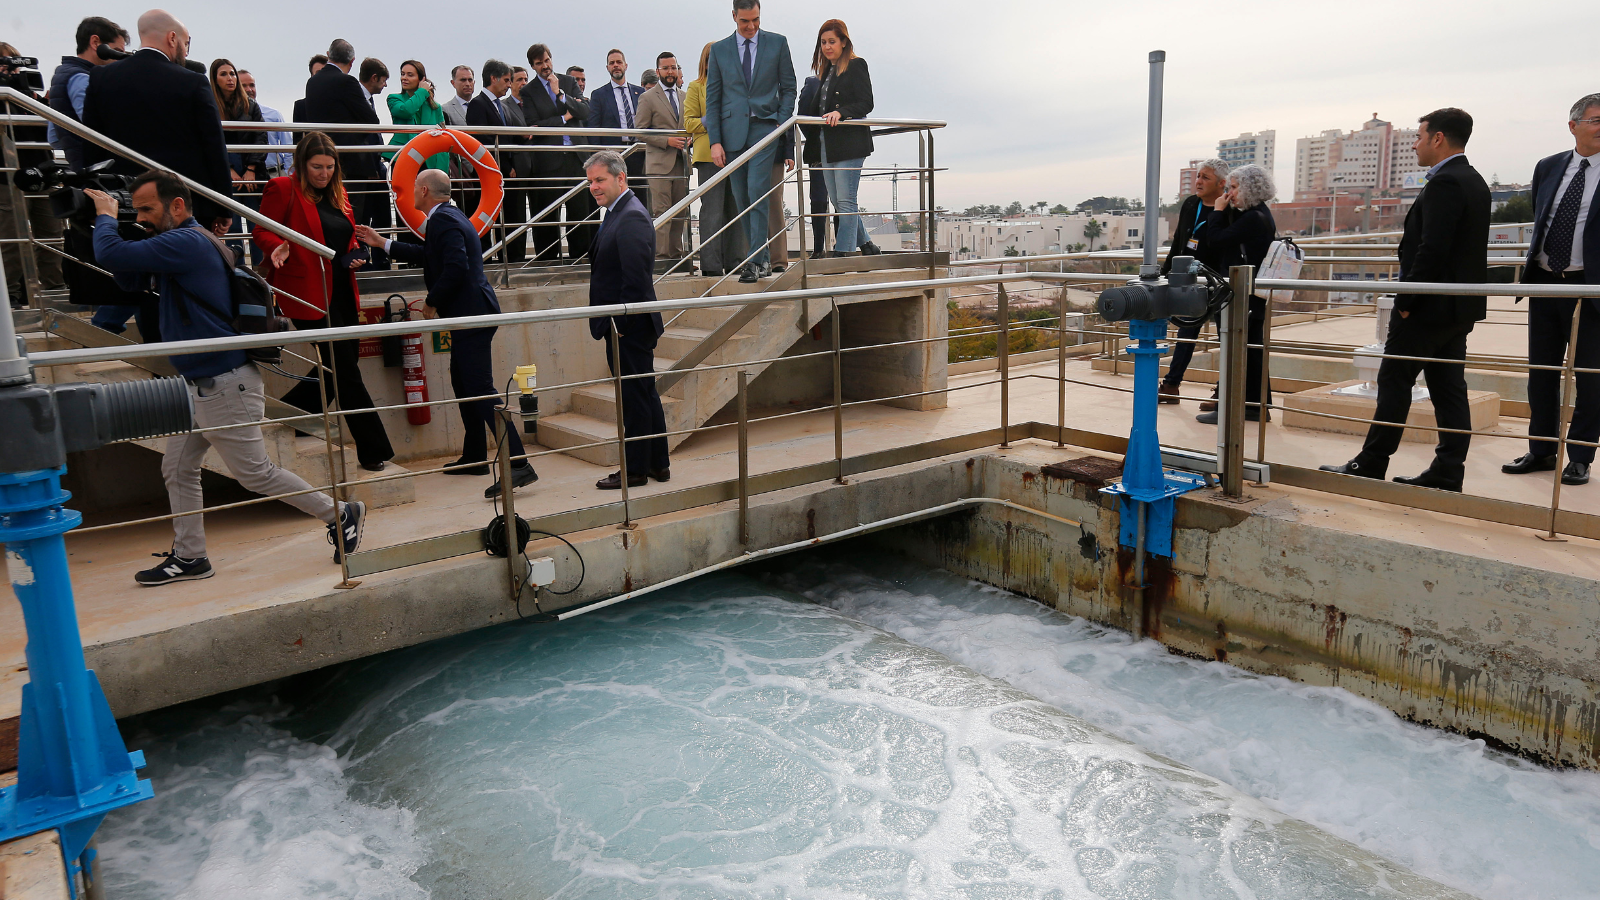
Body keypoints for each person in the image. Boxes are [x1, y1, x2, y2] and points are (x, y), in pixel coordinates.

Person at [86, 170, 364, 585]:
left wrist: (106, 216)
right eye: (136, 209)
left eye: (147, 209)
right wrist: (122, 225)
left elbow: (110, 254)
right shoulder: (177, 243)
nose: (140, 216)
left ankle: (340, 513)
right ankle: (191, 557)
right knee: (178, 468)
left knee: (255, 474)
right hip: (199, 385)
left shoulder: (188, 242)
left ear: (176, 205)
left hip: (224, 384)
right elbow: (126, 278)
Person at [1321, 108, 1490, 492]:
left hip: (1427, 308)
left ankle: (1371, 463)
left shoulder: (1447, 182)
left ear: (1438, 138)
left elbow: (1432, 249)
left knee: (1394, 381)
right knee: (1448, 388)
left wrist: (1406, 300)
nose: (1414, 144)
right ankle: (1448, 469)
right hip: (1456, 308)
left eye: (1418, 136)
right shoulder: (1474, 180)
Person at [354, 169, 539, 496]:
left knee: (480, 389)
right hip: (470, 314)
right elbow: (429, 255)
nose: (412, 191)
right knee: (463, 382)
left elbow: (456, 266)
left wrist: (432, 301)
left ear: (424, 190)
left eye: (415, 186)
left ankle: (518, 463)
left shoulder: (444, 220)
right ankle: (475, 456)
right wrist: (382, 243)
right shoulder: (448, 217)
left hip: (472, 315)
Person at [257, 132, 395, 472]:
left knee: (340, 367)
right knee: (345, 370)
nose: (324, 173)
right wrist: (276, 246)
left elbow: (343, 237)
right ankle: (373, 449)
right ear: (302, 164)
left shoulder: (338, 193)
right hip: (306, 292)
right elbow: (262, 230)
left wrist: (355, 253)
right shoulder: (282, 188)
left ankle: (289, 416)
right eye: (317, 167)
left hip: (342, 290)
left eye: (330, 167)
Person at [1505, 93, 1600, 488]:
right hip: (1544, 283)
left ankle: (1580, 457)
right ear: (1573, 125)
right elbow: (1541, 217)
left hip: (1591, 289)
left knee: (1591, 379)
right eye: (1596, 120)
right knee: (1541, 373)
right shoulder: (1548, 167)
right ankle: (1541, 450)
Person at [81, 10, 234, 228]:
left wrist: (94, 198)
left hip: (124, 200)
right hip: (186, 202)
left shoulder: (101, 77)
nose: (186, 52)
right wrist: (224, 206)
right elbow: (214, 146)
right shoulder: (193, 82)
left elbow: (91, 144)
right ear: (172, 38)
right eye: (185, 43)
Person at [584, 151, 669, 488]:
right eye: (590, 181)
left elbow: (636, 279)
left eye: (600, 180)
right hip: (627, 323)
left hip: (628, 325)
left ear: (621, 178)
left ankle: (635, 470)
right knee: (644, 394)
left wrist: (620, 325)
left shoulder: (630, 215)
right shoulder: (617, 211)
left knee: (635, 398)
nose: (593, 187)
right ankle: (657, 464)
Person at [706, 0, 798, 283]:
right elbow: (713, 98)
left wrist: (780, 123)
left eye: (756, 19)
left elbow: (789, 88)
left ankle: (754, 261)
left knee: (757, 191)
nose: (751, 26)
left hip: (765, 130)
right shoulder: (719, 50)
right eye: (745, 20)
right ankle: (763, 258)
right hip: (731, 134)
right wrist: (715, 141)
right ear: (734, 16)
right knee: (742, 197)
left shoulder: (778, 43)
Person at [1194, 164, 1276, 426]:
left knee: (1236, 351)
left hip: (1242, 295)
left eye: (1234, 188)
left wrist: (1217, 211)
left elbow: (1215, 239)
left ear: (1249, 189)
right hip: (1251, 295)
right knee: (1251, 351)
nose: (1229, 194)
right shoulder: (1260, 214)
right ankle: (1255, 407)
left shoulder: (1253, 218)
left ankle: (1231, 410)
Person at [299, 41, 386, 269]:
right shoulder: (347, 81)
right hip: (351, 162)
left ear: (328, 55)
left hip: (322, 157)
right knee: (351, 215)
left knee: (329, 213)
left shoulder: (313, 81)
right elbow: (371, 121)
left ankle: (333, 262)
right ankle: (351, 262)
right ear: (352, 61)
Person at [801, 19, 876, 260]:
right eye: (823, 42)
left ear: (844, 42)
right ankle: (867, 245)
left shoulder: (856, 65)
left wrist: (841, 112)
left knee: (845, 200)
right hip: (827, 144)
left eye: (832, 41)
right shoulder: (827, 71)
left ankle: (843, 252)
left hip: (849, 144)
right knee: (838, 200)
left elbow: (866, 103)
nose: (827, 46)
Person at [1158, 157, 1229, 404]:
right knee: (1186, 333)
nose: (1198, 181)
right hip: (1190, 279)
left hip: (1219, 282)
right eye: (1198, 176)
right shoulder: (1191, 204)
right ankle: (1171, 386)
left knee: (1226, 336)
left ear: (1221, 183)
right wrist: (1166, 273)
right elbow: (1179, 240)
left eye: (1205, 178)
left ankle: (1224, 391)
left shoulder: (1229, 208)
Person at [0, 46, 66, 307]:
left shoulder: (30, 95)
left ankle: (55, 290)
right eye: (5, 67)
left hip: (43, 174)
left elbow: (51, 131)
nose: (13, 73)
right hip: (7, 179)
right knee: (12, 239)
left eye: (16, 66)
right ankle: (10, 296)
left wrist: (41, 102)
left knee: (52, 236)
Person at [521, 44, 594, 262]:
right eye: (539, 63)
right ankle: (548, 263)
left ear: (551, 59)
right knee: (547, 216)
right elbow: (534, 126)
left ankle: (580, 260)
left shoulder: (569, 82)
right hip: (548, 160)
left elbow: (584, 111)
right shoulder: (528, 91)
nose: (545, 66)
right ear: (532, 66)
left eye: (547, 60)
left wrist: (560, 94)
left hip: (577, 158)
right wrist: (564, 118)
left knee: (579, 214)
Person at [684, 41, 744, 277]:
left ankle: (736, 262)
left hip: (736, 154)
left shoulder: (736, 86)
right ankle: (711, 265)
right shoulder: (696, 86)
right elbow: (689, 123)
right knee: (712, 211)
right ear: (706, 62)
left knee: (736, 210)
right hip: (708, 156)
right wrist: (711, 120)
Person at [47, 17, 127, 171]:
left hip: (79, 167)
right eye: (117, 52)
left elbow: (53, 137)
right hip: (97, 168)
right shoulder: (83, 79)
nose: (119, 60)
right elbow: (97, 127)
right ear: (95, 42)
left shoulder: (66, 74)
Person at [209, 59, 267, 262]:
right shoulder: (210, 106)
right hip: (225, 168)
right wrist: (229, 169)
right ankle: (237, 270)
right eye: (223, 74)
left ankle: (261, 269)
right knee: (231, 223)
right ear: (215, 79)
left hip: (251, 166)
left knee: (256, 222)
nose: (230, 78)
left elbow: (261, 137)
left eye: (232, 73)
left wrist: (251, 168)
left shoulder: (250, 105)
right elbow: (211, 140)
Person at [636, 52, 690, 260]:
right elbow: (640, 131)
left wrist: (691, 138)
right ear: (658, 71)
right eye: (666, 68)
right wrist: (667, 141)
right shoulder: (647, 97)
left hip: (682, 163)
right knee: (662, 212)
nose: (670, 72)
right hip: (659, 164)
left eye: (673, 67)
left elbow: (690, 124)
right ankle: (661, 258)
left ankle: (676, 258)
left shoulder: (685, 96)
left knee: (680, 213)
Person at [590, 49, 651, 213]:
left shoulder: (641, 93)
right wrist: (599, 160)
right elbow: (594, 130)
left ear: (626, 65)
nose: (615, 65)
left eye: (619, 62)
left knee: (640, 201)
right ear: (607, 68)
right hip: (613, 156)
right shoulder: (599, 95)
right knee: (616, 202)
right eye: (612, 63)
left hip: (638, 153)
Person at [465, 58, 515, 255]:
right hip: (486, 172)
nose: (509, 85)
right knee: (485, 218)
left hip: (503, 173)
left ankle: (506, 256)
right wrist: (505, 166)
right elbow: (482, 140)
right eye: (506, 80)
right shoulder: (477, 104)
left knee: (507, 217)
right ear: (493, 78)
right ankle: (484, 257)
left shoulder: (502, 106)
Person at [499, 67, 534, 265]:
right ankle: (515, 259)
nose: (524, 83)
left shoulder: (533, 105)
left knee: (541, 212)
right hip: (515, 169)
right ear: (510, 82)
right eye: (519, 79)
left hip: (539, 167)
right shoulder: (503, 106)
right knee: (516, 216)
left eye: (526, 79)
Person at [385, 60, 448, 171]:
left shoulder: (435, 107)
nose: (404, 78)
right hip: (403, 156)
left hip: (429, 160)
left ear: (421, 79)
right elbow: (407, 111)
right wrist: (422, 91)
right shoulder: (394, 98)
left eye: (410, 75)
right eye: (402, 74)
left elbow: (443, 135)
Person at [797, 73, 829, 259]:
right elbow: (802, 116)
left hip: (842, 151)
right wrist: (815, 138)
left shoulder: (848, 79)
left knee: (843, 201)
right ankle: (818, 249)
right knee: (818, 200)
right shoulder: (812, 82)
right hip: (818, 151)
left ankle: (842, 249)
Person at [239, 71, 294, 178]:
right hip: (244, 175)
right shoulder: (229, 117)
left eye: (252, 85)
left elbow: (288, 147)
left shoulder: (273, 114)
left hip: (274, 174)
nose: (249, 90)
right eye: (243, 86)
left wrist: (289, 175)